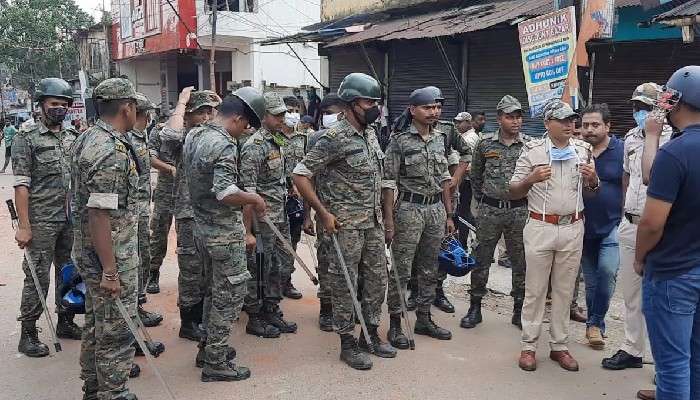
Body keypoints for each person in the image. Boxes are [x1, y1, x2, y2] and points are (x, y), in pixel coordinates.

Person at [293, 73, 395, 370]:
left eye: (377, 101)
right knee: (344, 285)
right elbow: (301, 174)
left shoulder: (371, 133)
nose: (374, 107)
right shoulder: (332, 138)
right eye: (368, 101)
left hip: (372, 224)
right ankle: (347, 342)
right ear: (350, 104)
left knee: (377, 281)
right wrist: (321, 212)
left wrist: (387, 219)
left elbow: (381, 178)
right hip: (344, 227)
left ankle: (371, 334)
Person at [183, 87, 267, 382]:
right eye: (246, 126)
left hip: (200, 228)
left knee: (211, 292)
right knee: (229, 295)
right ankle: (215, 362)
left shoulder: (195, 133)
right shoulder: (224, 143)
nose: (245, 132)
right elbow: (225, 192)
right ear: (239, 119)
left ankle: (208, 348)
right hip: (222, 233)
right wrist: (254, 199)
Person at [510, 100, 599, 372]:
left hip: (572, 227)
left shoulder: (583, 151)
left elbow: (593, 192)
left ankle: (560, 346)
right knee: (535, 290)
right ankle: (528, 345)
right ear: (548, 123)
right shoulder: (532, 151)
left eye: (572, 120)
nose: (570, 125)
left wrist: (593, 178)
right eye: (563, 120)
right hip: (540, 226)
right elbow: (513, 190)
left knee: (565, 290)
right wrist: (530, 179)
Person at [71, 78, 140, 400]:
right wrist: (110, 272)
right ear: (126, 107)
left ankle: (94, 387)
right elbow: (99, 213)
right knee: (115, 327)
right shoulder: (109, 150)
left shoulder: (89, 138)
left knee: (97, 322)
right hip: (110, 254)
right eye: (134, 106)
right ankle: (112, 392)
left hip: (93, 250)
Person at [635, 65, 700, 400]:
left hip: (673, 272)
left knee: (673, 365)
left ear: (678, 102)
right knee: (696, 360)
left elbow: (652, 223)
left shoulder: (675, 153)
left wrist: (639, 257)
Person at [602, 83, 672, 375]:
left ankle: (663, 362)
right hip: (630, 223)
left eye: (645, 107)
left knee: (662, 297)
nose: (639, 113)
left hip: (661, 227)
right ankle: (632, 348)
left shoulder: (673, 138)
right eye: (636, 107)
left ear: (660, 109)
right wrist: (622, 217)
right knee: (631, 294)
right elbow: (627, 179)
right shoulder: (630, 138)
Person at [11, 77, 82, 358]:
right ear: (41, 104)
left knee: (69, 273)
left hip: (69, 219)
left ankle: (65, 320)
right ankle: (28, 334)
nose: (60, 109)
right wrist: (24, 226)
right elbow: (21, 184)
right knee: (37, 278)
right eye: (54, 103)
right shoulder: (25, 137)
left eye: (64, 104)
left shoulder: (72, 137)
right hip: (41, 221)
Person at [383, 86, 455, 349]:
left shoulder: (440, 138)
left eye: (437, 107)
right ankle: (394, 324)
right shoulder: (399, 141)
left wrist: (449, 214)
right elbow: (389, 182)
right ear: (413, 110)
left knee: (429, 268)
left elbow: (445, 177)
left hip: (435, 209)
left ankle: (424, 318)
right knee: (402, 269)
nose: (433, 112)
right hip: (409, 210)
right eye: (427, 107)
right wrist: (389, 221)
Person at [460, 95, 529, 330]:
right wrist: (483, 200)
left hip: (519, 212)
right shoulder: (485, 143)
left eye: (518, 116)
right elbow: (476, 176)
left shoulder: (529, 144)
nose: (515, 121)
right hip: (490, 211)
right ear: (499, 119)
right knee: (481, 258)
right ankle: (475, 307)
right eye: (510, 117)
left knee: (521, 262)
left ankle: (519, 309)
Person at [160, 88, 221, 342]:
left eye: (210, 112)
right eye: (200, 112)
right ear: (187, 116)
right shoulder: (184, 139)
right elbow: (169, 134)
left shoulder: (216, 136)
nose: (206, 117)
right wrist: (182, 101)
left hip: (213, 213)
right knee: (191, 270)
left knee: (211, 270)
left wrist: (220, 105)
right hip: (189, 214)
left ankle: (206, 318)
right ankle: (189, 321)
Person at [240, 92, 298, 337]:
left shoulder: (278, 141)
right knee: (259, 267)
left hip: (279, 215)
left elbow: (281, 174)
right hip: (261, 220)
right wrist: (247, 231)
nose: (282, 119)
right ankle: (255, 316)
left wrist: (291, 187)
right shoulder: (254, 146)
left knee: (280, 264)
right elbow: (246, 192)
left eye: (284, 114)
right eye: (277, 115)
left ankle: (272, 308)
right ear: (263, 117)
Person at [579, 103, 624, 350]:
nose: (589, 130)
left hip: (613, 223)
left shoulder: (622, 150)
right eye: (585, 125)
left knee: (607, 271)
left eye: (595, 125)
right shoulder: (576, 150)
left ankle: (595, 322)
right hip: (583, 227)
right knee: (592, 280)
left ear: (608, 126)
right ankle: (594, 326)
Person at [305, 93, 345, 332]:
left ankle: (347, 306)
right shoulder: (318, 139)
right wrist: (308, 214)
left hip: (356, 214)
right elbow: (308, 178)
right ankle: (326, 308)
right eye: (326, 114)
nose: (330, 118)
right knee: (327, 259)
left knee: (353, 263)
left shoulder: (365, 135)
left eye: (333, 112)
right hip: (327, 212)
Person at [130, 93, 164, 328]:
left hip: (142, 207)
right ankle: (132, 308)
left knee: (143, 256)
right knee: (133, 260)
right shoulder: (127, 139)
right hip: (131, 211)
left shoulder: (141, 137)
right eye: (148, 113)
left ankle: (137, 304)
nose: (150, 117)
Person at [145, 106, 177, 294]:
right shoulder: (158, 133)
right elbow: (151, 157)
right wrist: (169, 168)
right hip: (166, 190)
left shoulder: (190, 132)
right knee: (158, 234)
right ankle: (153, 272)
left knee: (189, 237)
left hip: (187, 192)